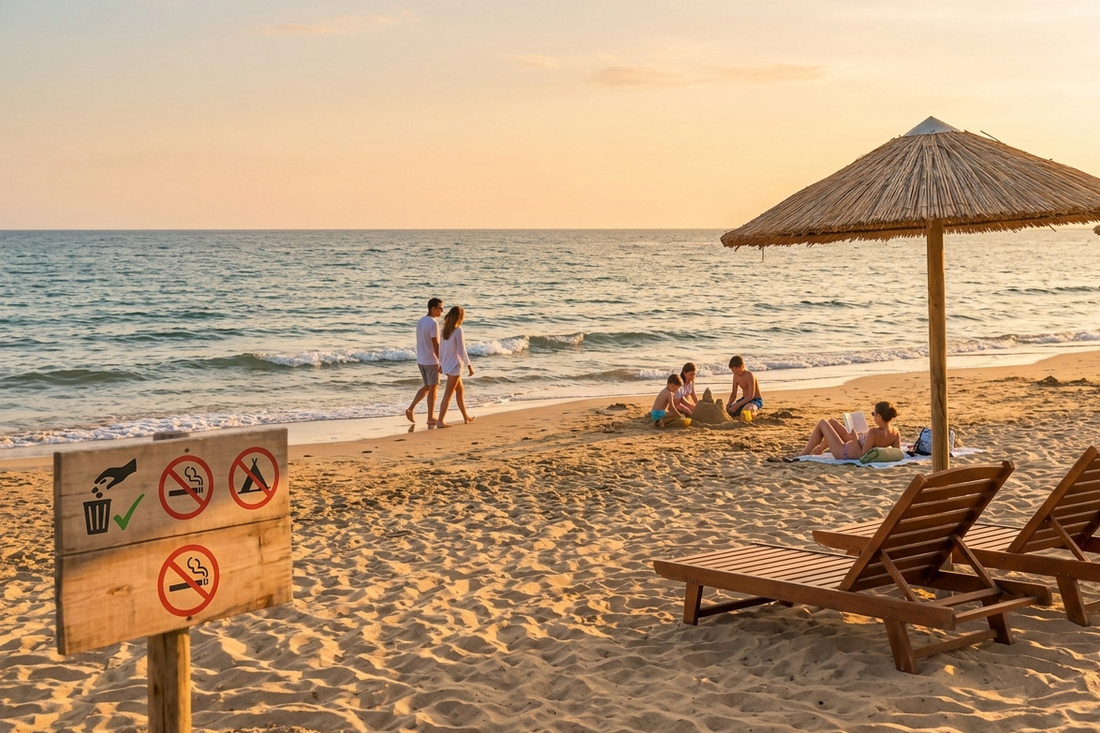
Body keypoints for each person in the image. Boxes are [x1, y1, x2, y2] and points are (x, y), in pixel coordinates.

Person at [798, 401, 901, 460]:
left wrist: (855, 439)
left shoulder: (873, 432)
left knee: (822, 423)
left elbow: (863, 456)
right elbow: (897, 453)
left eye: (873, 414)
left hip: (843, 451)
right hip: (852, 443)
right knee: (832, 422)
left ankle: (803, 454)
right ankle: (819, 449)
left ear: (879, 416)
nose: (873, 416)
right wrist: (860, 437)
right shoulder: (895, 432)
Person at [406, 298, 444, 425]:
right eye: (440, 308)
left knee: (427, 387)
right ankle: (430, 417)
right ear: (433, 309)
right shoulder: (433, 323)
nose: (442, 310)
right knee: (433, 388)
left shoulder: (421, 321)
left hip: (421, 359)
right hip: (430, 360)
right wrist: (441, 361)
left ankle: (411, 408)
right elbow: (435, 344)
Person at [437, 305, 475, 428]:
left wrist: (441, 364)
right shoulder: (458, 330)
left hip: (447, 365)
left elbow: (441, 350)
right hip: (454, 366)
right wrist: (469, 365)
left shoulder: (444, 330)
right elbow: (462, 350)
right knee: (448, 394)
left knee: (460, 391)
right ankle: (440, 421)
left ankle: (466, 417)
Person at [727, 355, 762, 420]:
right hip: (744, 399)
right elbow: (734, 393)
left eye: (736, 371)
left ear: (742, 366)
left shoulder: (749, 375)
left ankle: (754, 412)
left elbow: (751, 396)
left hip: (755, 400)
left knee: (745, 412)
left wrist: (737, 405)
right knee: (730, 411)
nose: (735, 373)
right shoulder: (736, 376)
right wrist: (729, 404)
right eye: (733, 371)